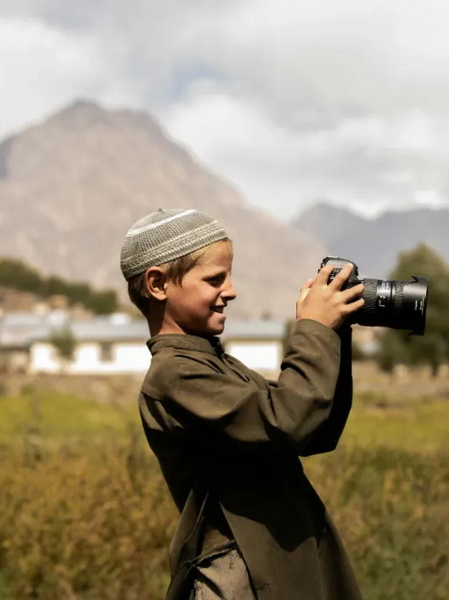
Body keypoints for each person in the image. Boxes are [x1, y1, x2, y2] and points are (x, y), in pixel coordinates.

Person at [120, 208, 365, 600]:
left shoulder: (214, 365)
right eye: (215, 279)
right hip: (242, 579)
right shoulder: (175, 376)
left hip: (273, 571)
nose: (231, 291)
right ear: (158, 284)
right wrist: (314, 329)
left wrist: (336, 332)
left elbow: (315, 429)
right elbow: (288, 421)